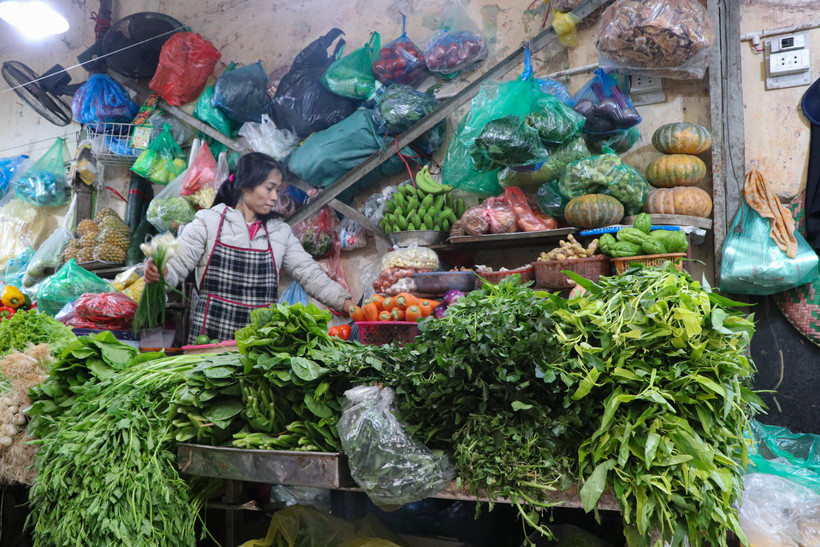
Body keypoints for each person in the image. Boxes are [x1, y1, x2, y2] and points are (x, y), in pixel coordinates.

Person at [145, 152, 354, 343]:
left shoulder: (279, 232)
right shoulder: (209, 222)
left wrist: (347, 305)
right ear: (246, 186)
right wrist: (161, 272)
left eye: (277, 190)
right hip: (208, 343)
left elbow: (309, 274)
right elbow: (178, 263)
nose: (274, 197)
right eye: (269, 188)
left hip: (260, 345)